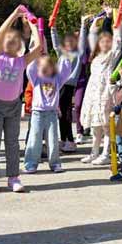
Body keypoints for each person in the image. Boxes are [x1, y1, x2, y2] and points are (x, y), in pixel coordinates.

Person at [0, 7, 42, 193]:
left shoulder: (21, 61)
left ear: (20, 45)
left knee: (12, 142)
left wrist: (33, 26)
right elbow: (2, 31)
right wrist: (15, 14)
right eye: (9, 39)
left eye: (16, 40)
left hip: (13, 106)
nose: (11, 41)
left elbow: (38, 47)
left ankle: (13, 177)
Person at [80, 10, 122, 166]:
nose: (105, 43)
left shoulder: (111, 56)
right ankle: (94, 151)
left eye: (107, 41)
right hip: (93, 93)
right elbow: (91, 37)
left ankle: (107, 153)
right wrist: (94, 24)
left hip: (104, 93)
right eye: (102, 41)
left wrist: (116, 24)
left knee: (106, 125)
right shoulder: (95, 57)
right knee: (95, 126)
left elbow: (118, 42)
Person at [23, 54, 75, 174]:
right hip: (37, 113)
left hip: (51, 113)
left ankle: (55, 163)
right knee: (34, 139)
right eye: (42, 66)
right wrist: (35, 52)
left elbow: (66, 71)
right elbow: (30, 68)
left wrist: (65, 55)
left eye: (48, 66)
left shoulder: (57, 79)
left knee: (52, 139)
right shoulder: (36, 79)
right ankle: (31, 164)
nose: (46, 69)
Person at [50, 15, 89, 153]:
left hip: (68, 84)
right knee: (61, 113)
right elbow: (55, 44)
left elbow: (83, 41)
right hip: (58, 84)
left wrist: (83, 25)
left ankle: (70, 141)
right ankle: (65, 139)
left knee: (65, 113)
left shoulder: (78, 53)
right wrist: (53, 27)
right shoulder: (62, 53)